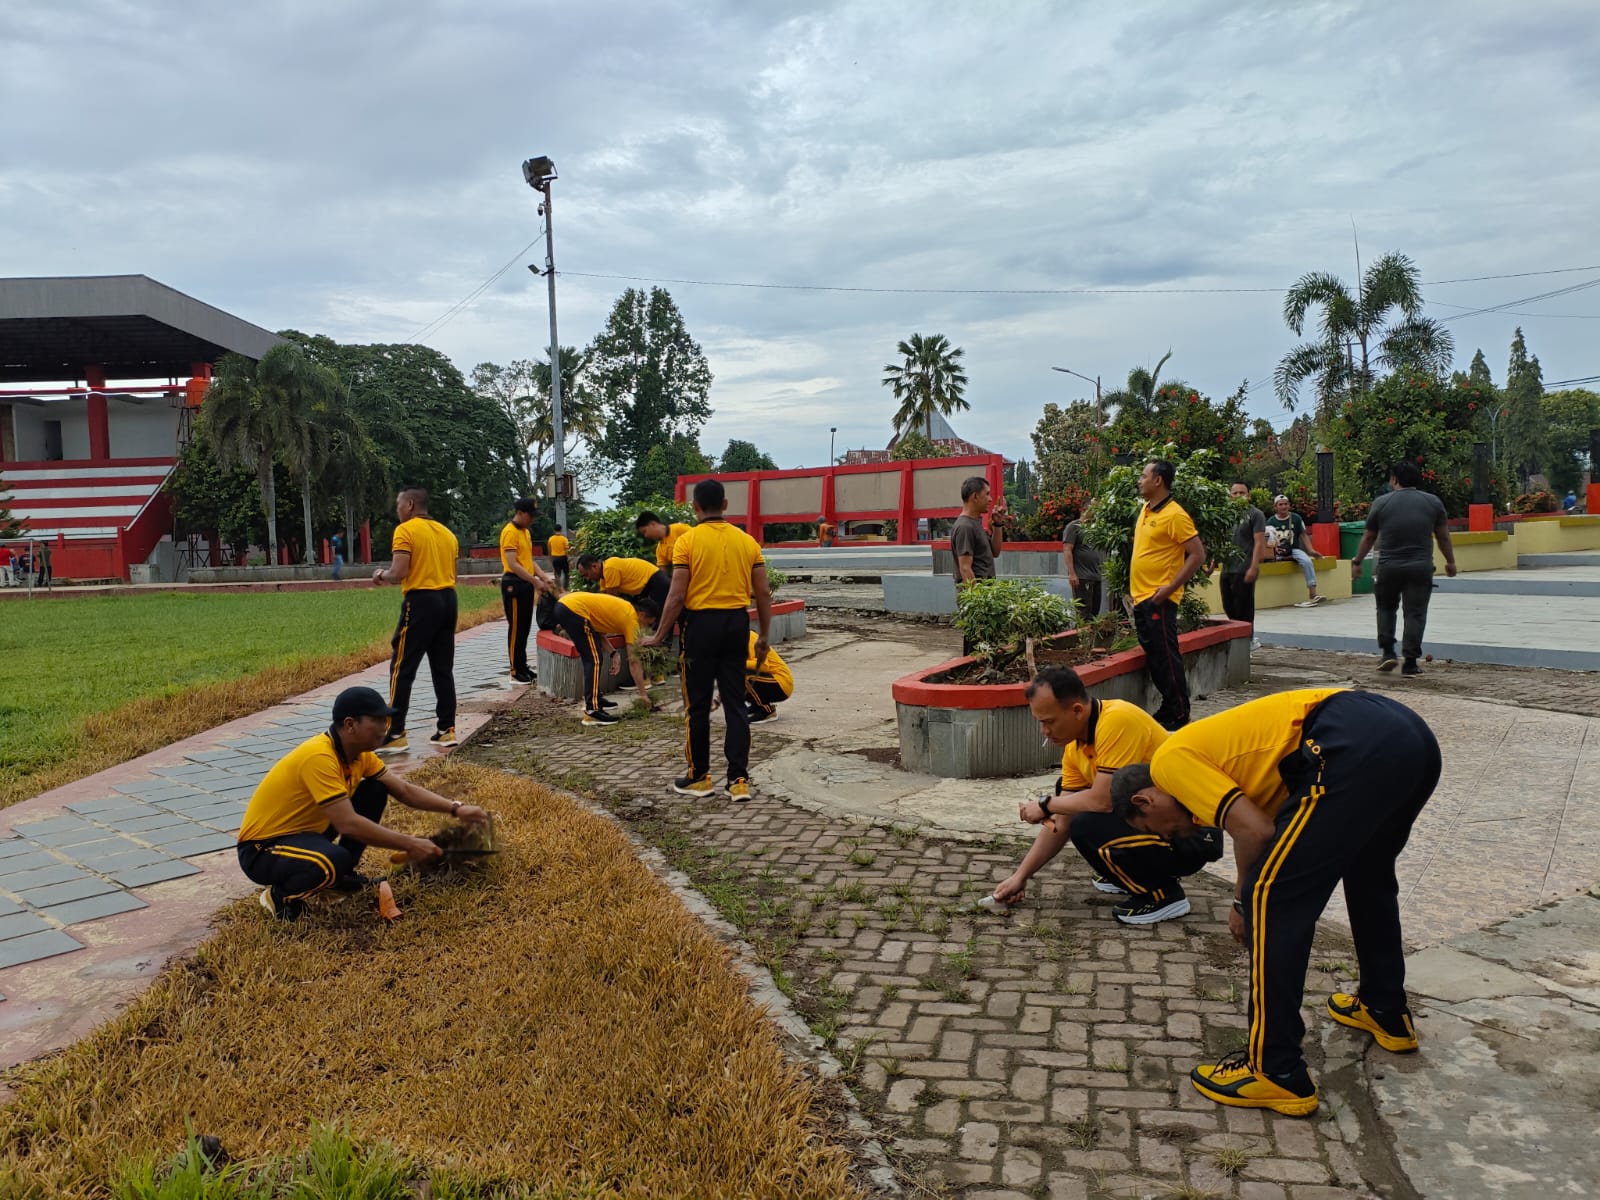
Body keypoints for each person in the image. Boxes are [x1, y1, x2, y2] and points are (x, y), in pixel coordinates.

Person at [1111, 687, 1440, 1116]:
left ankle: (1275, 1070)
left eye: (1162, 830)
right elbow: (1255, 827)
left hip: (1346, 738)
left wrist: (1245, 901)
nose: (1173, 834)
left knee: (1274, 899)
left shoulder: (1169, 763)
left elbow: (1256, 833)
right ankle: (1385, 1010)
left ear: (1145, 799)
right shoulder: (1213, 761)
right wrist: (1242, 894)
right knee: (1369, 874)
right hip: (1409, 736)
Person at [977, 667, 1222, 923]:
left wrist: (1045, 804)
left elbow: (1101, 801)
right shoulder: (1075, 749)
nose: (1044, 731)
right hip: (1160, 831)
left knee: (1086, 822)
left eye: (1049, 721)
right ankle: (1129, 873)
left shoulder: (1117, 721)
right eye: (1039, 722)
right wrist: (1020, 877)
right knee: (1073, 806)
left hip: (1194, 836)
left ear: (1077, 710)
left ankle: (1162, 896)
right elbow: (1060, 825)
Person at [236, 686, 490, 921]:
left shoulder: (360, 756)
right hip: (262, 850)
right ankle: (280, 897)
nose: (384, 726)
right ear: (350, 724)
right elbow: (349, 825)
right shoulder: (319, 757)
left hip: (306, 834)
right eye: (377, 720)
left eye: (386, 720)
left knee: (375, 789)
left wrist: (457, 808)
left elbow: (404, 791)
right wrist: (411, 844)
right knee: (330, 862)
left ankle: (341, 877)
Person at [645, 479, 773, 801]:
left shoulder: (686, 542)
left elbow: (675, 597)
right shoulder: (748, 542)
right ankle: (738, 781)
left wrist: (659, 635)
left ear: (695, 508)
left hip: (700, 626)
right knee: (735, 704)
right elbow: (762, 593)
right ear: (726, 505)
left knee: (698, 706)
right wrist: (765, 637)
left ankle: (699, 776)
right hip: (736, 625)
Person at [372, 487, 459, 755]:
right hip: (448, 599)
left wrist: (380, 575)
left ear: (409, 505)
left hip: (421, 601)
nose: (397, 510)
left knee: (402, 667)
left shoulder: (406, 530)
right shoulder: (447, 533)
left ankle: (395, 731)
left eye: (398, 505)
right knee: (442, 668)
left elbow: (400, 572)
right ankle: (447, 730)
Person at [1350, 461, 1457, 676]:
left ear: (1395, 480)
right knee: (1415, 613)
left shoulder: (1381, 503)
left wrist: (1357, 561)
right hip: (1420, 567)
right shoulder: (1433, 502)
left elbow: (1369, 536)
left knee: (1386, 608)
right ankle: (1410, 662)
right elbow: (1443, 537)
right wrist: (1450, 562)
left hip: (1389, 568)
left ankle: (1388, 653)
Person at [1130, 460, 1204, 731]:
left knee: (1165, 656)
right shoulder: (1146, 510)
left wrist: (1169, 589)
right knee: (1155, 656)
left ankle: (1180, 711)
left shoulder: (1175, 515)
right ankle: (1168, 705)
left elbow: (1197, 555)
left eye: (1144, 475)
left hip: (1159, 598)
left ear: (1158, 480)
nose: (1140, 480)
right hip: (1142, 597)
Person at [551, 591, 658, 726]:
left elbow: (598, 634)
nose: (646, 628)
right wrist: (643, 694)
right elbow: (633, 660)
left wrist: (614, 654)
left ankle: (596, 699)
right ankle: (592, 710)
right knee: (593, 659)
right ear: (642, 615)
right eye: (648, 624)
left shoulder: (624, 610)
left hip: (567, 606)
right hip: (573, 609)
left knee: (594, 657)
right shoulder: (631, 620)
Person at [500, 497, 557, 684]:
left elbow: (528, 560)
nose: (532, 520)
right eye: (530, 516)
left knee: (524, 627)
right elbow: (512, 563)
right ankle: (515, 671)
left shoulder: (525, 532)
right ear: (521, 513)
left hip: (524, 582)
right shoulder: (510, 532)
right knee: (516, 628)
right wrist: (534, 581)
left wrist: (543, 576)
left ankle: (523, 666)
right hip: (514, 584)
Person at [951, 476, 996, 654]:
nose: (991, 499)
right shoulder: (965, 527)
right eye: (987, 494)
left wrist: (998, 524)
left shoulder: (976, 523)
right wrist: (978, 601)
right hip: (976, 593)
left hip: (985, 590)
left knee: (985, 642)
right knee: (975, 643)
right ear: (974, 496)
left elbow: (996, 551)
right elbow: (965, 567)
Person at [1219, 483, 1268, 625]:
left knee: (1244, 609)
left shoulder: (1255, 514)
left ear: (1248, 495)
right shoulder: (1226, 515)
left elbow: (1259, 542)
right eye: (1235, 493)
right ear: (1230, 496)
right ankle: (1236, 642)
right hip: (1228, 568)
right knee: (1228, 607)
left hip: (1244, 569)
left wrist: (1254, 567)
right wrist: (1212, 564)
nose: (1239, 496)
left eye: (1242, 493)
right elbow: (1221, 541)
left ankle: (1248, 640)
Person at [1265, 496, 1325, 607]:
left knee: (1306, 561)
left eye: (1286, 504)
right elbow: (1268, 539)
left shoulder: (1296, 518)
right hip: (1278, 552)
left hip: (1293, 549)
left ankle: (1313, 592)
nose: (1284, 506)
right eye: (1280, 504)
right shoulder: (1270, 521)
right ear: (1275, 507)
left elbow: (1303, 535)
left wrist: (1311, 551)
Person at [576, 551, 670, 611]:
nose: (588, 578)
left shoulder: (610, 568)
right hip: (648, 585)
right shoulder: (604, 577)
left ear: (594, 566)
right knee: (650, 614)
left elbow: (611, 601)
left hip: (655, 580)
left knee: (660, 614)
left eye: (586, 575)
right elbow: (603, 600)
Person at [743, 630, 793, 724]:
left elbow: (763, 666)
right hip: (770, 681)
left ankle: (767, 711)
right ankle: (757, 705)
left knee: (742, 677)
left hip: (781, 683)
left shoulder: (749, 637)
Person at [1061, 510, 1103, 619]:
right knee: (1084, 613)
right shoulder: (1074, 527)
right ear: (1085, 510)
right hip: (1082, 577)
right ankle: (1082, 635)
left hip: (1095, 576)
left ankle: (1091, 635)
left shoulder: (1094, 529)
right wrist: (1072, 573)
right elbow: (1067, 549)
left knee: (1094, 613)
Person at [636, 511, 692, 576]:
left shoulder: (680, 529)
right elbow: (663, 574)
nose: (646, 536)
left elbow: (700, 541)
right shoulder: (659, 550)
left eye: (644, 532)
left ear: (652, 524)